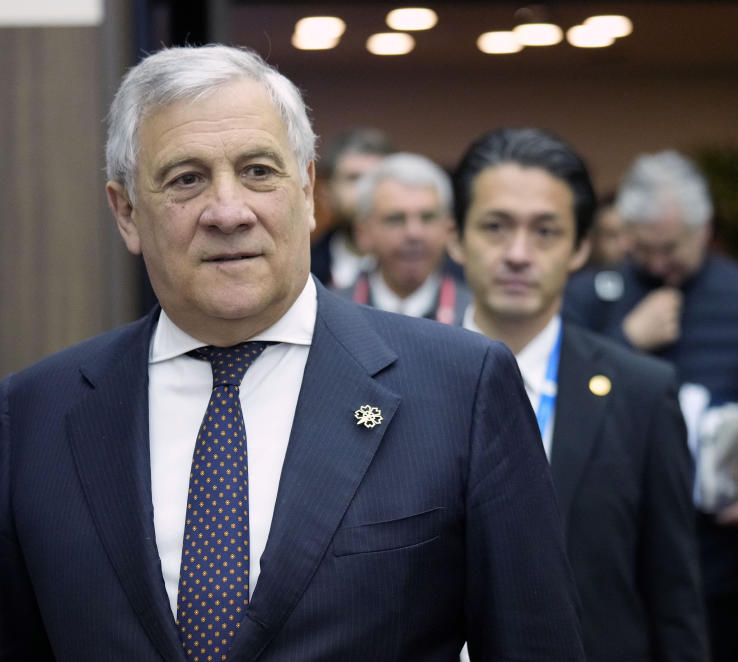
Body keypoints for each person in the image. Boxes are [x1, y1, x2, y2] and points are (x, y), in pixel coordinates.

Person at [0, 45, 585, 661]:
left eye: (258, 171)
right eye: (186, 179)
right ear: (126, 213)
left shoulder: (460, 388)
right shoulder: (33, 416)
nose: (228, 211)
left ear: (306, 191)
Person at [450, 127, 708, 662]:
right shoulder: (393, 382)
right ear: (456, 238)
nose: (518, 254)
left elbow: (673, 598)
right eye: (495, 227)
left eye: (546, 232)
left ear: (581, 248)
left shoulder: (641, 394)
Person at [564, 149, 738, 662]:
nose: (659, 263)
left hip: (724, 554)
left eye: (671, 248)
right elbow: (554, 402)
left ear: (703, 231)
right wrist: (625, 341)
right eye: (644, 248)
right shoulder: (590, 297)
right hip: (612, 553)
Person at [339, 152, 470, 324]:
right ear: (363, 233)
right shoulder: (332, 313)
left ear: (448, 230)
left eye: (427, 217)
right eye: (396, 219)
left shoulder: (475, 314)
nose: (414, 233)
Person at [310, 127, 394, 288]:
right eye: (354, 178)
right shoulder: (303, 269)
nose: (366, 190)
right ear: (327, 194)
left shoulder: (432, 269)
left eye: (378, 178)